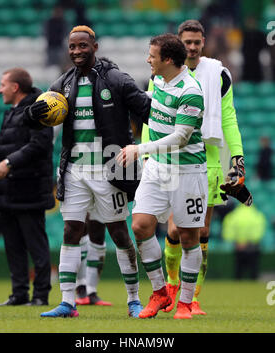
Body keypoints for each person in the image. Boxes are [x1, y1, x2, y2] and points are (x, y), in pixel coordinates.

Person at [24, 25, 151, 318]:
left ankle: (134, 299)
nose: (76, 51)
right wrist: (34, 113)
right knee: (71, 230)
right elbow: (33, 118)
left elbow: (146, 109)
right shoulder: (62, 84)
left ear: (95, 46)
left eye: (82, 46)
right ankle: (68, 302)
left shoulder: (116, 78)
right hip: (75, 171)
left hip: (109, 169)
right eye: (72, 47)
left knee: (119, 233)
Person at [142, 19, 247, 315]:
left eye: (196, 42)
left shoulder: (218, 74)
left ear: (203, 43)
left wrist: (236, 156)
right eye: (186, 42)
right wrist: (148, 153)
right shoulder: (162, 73)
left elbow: (228, 118)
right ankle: (173, 283)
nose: (191, 47)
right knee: (175, 229)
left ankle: (194, 298)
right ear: (178, 42)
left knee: (201, 232)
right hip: (172, 157)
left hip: (209, 158)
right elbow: (153, 115)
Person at [117, 33, 208, 319]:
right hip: (157, 167)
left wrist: (139, 148)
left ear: (168, 59)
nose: (148, 60)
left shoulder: (191, 91)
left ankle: (185, 302)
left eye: (152, 56)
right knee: (141, 226)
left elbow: (181, 137)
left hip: (188, 170)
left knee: (189, 236)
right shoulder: (157, 81)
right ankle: (159, 292)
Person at [0, 68, 55, 306]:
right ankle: (19, 294)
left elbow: (40, 145)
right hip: (9, 192)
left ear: (15, 87)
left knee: (35, 245)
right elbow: (8, 150)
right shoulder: (11, 113)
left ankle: (40, 296)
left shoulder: (39, 111)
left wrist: (9, 163)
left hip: (29, 190)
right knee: (13, 245)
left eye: (3, 84)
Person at [222, 203, 266, 279]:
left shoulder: (233, 215)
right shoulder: (257, 215)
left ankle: (237, 283)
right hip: (253, 247)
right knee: (254, 267)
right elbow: (259, 232)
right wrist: (248, 242)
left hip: (238, 246)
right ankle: (254, 282)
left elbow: (228, 232)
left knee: (238, 268)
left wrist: (239, 242)